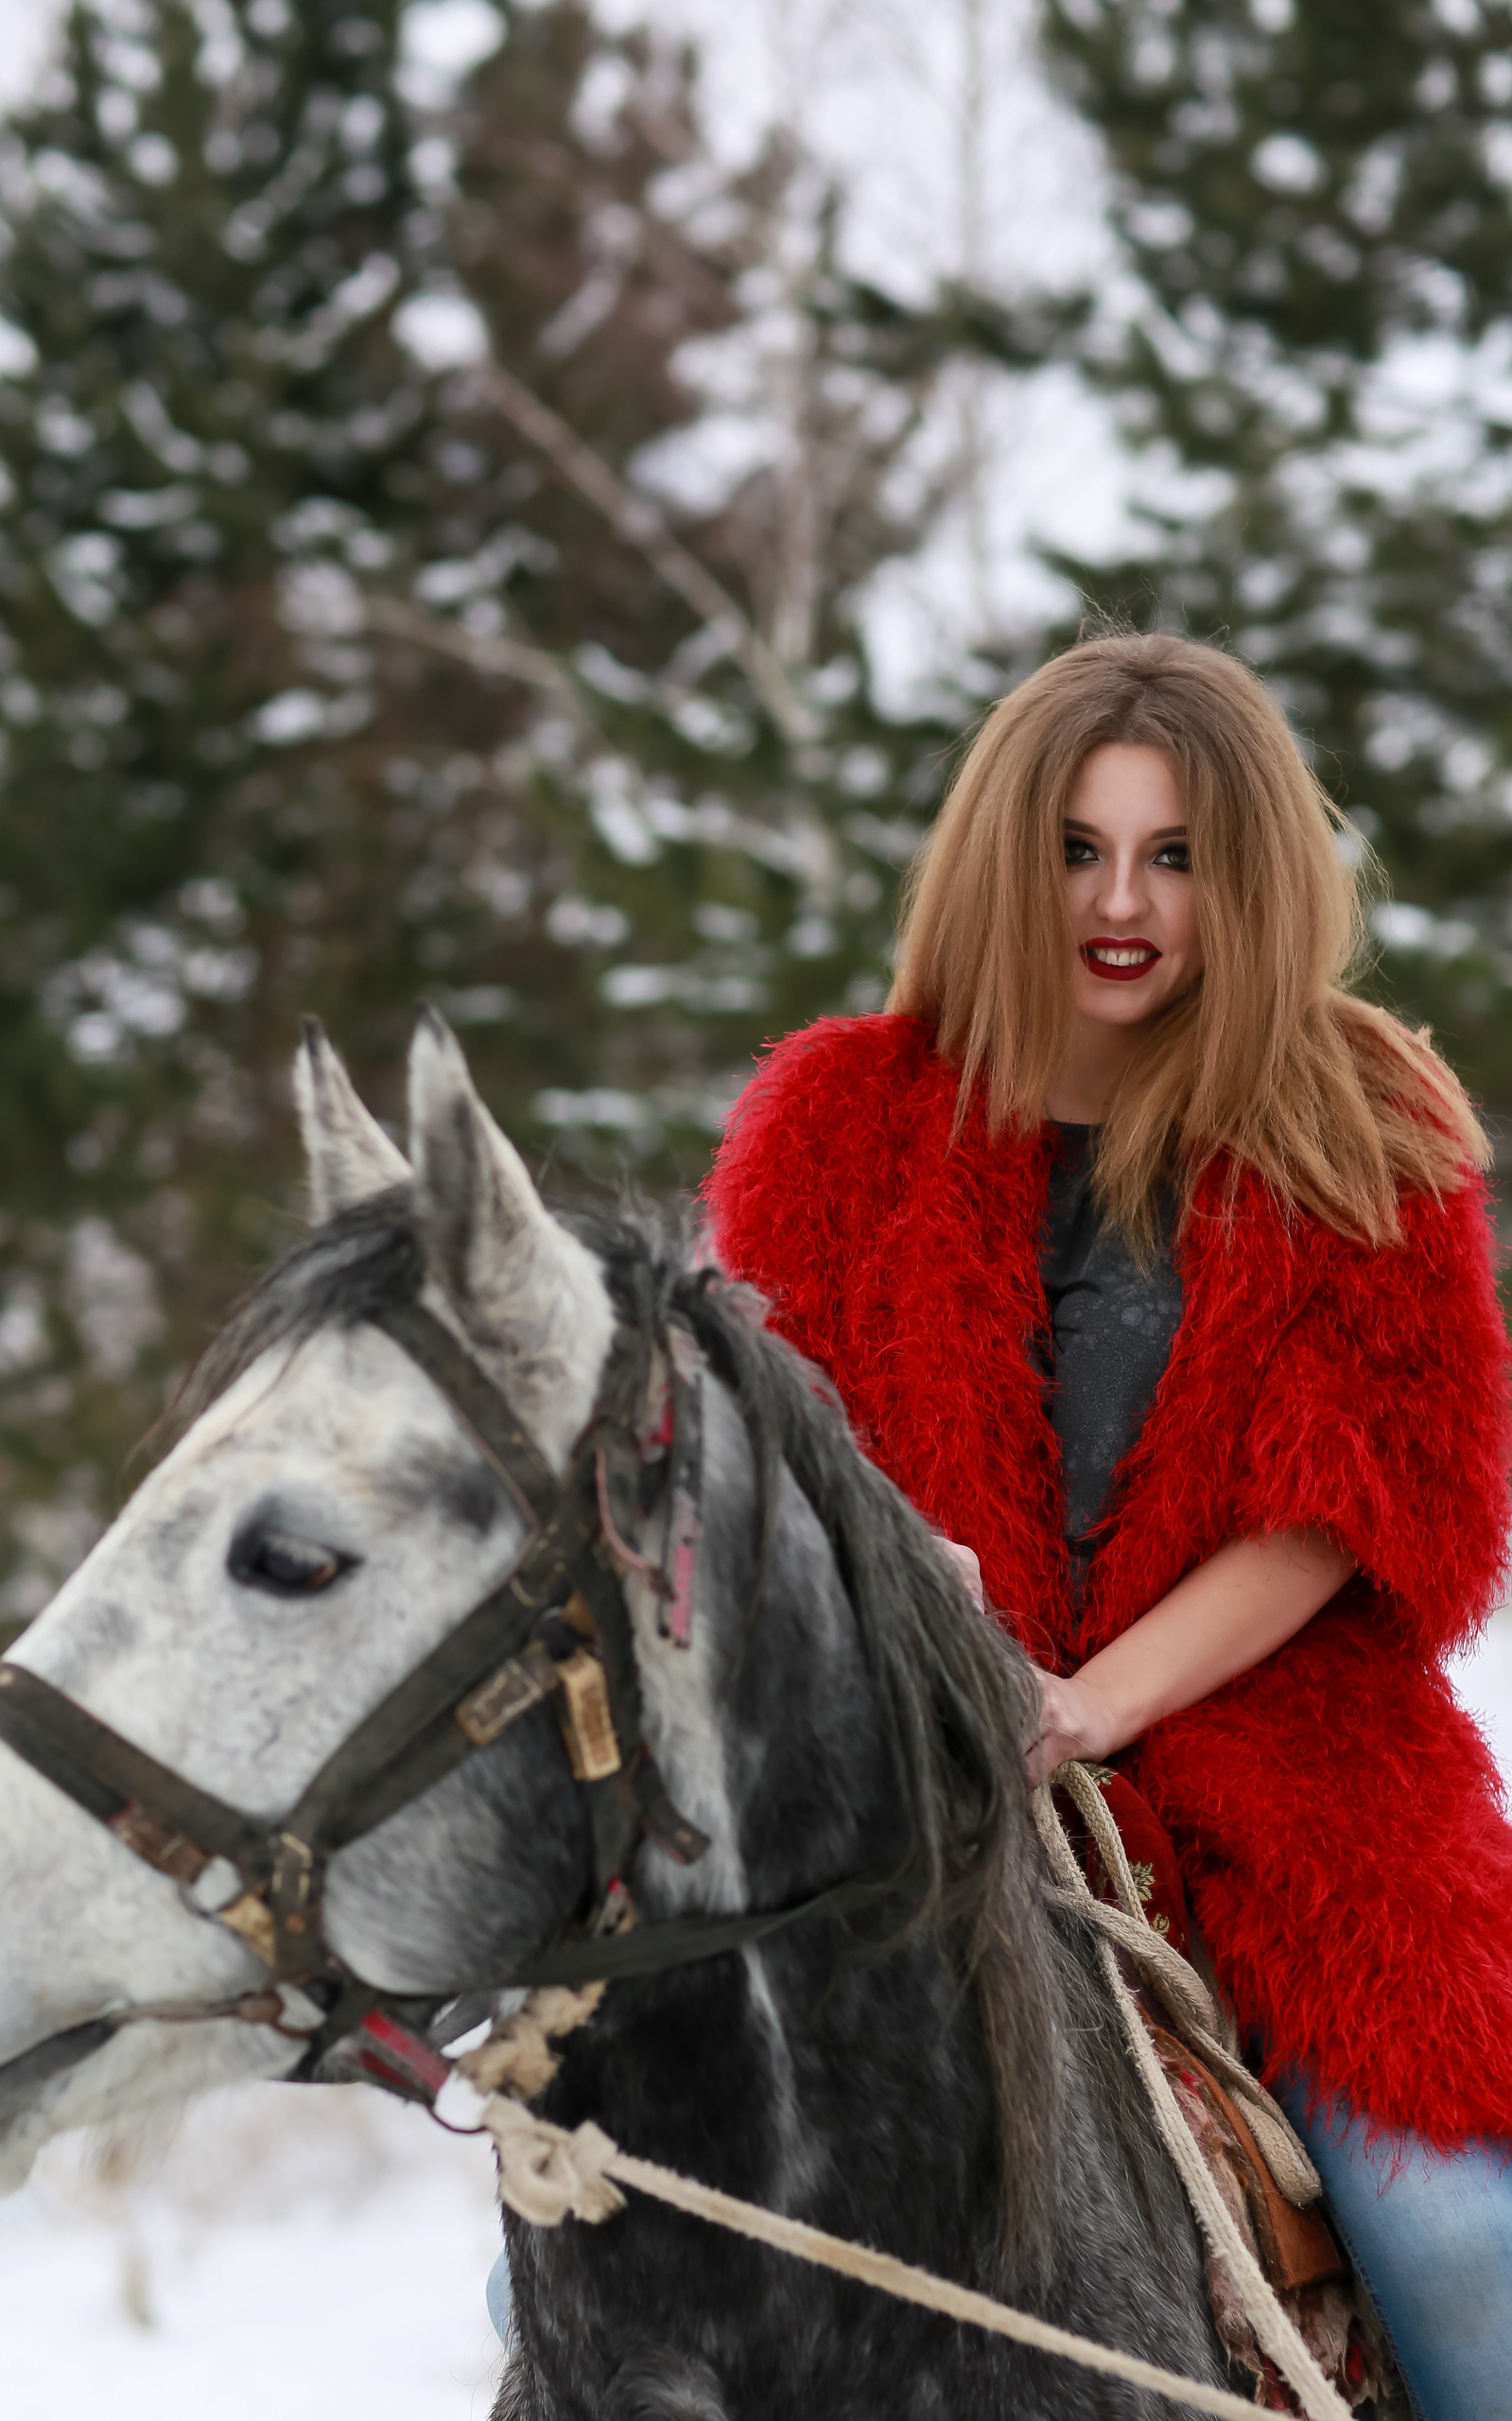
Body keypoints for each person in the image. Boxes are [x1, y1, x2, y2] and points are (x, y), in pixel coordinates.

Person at [704, 630, 1512, 2421]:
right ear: (1005, 858)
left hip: (1295, 1798)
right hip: (905, 1800)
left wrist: (1083, 1702)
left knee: (1463, 2247)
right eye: (1077, 849)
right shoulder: (838, 1122)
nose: (1121, 903)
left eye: (1174, 855)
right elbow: (761, 1472)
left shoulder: (1362, 1125)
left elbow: (1350, 1506)